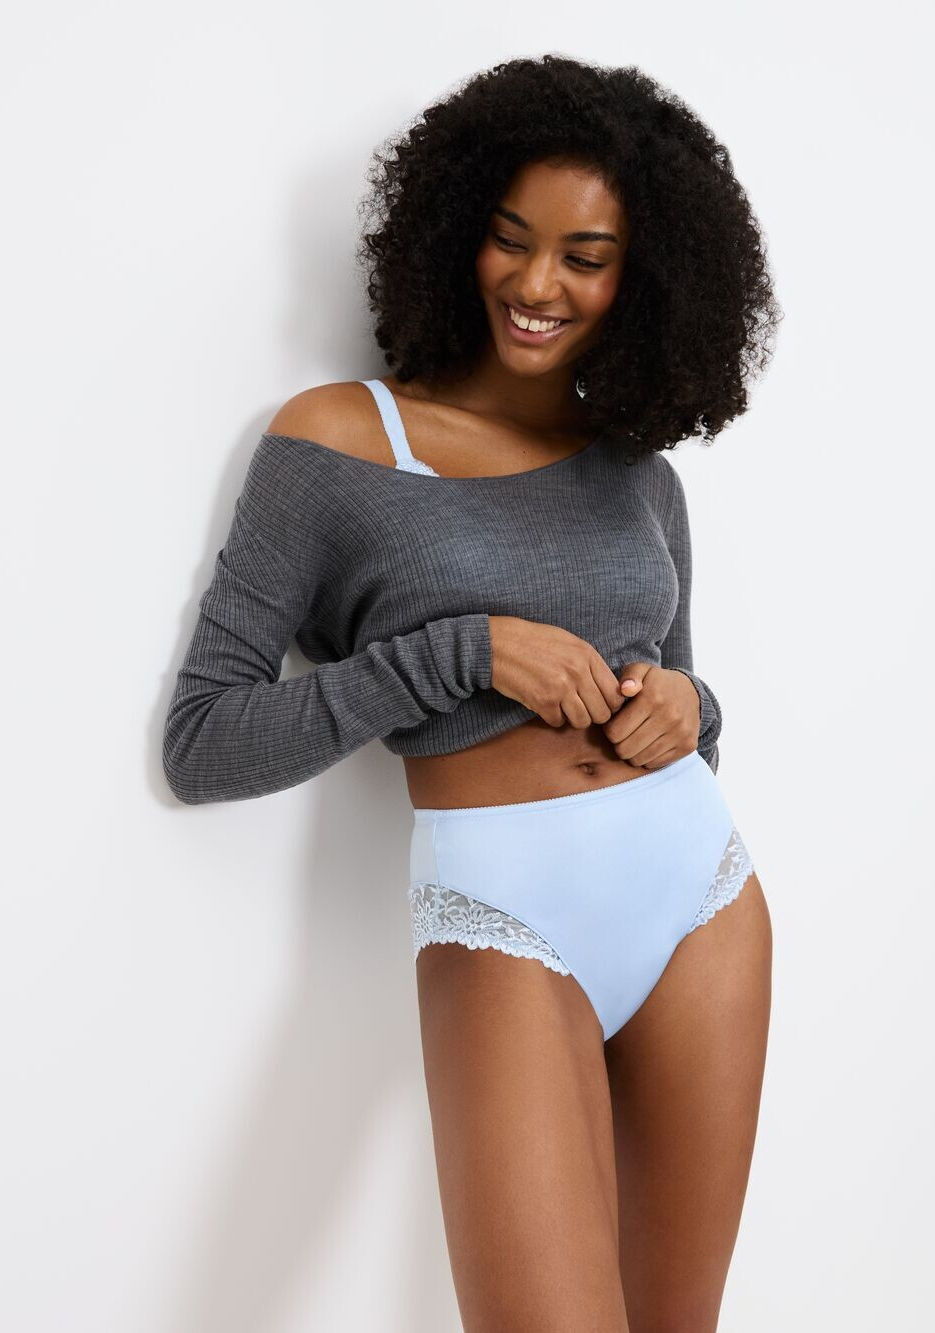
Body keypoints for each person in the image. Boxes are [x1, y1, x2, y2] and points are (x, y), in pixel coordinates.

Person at [164, 53, 782, 1332]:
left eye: (585, 257)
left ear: (643, 278)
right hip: (504, 915)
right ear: (456, 233)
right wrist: (460, 654)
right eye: (511, 239)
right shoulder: (336, 441)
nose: (538, 284)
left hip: (702, 898)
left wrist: (695, 705)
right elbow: (204, 739)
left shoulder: (639, 472)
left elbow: (682, 701)